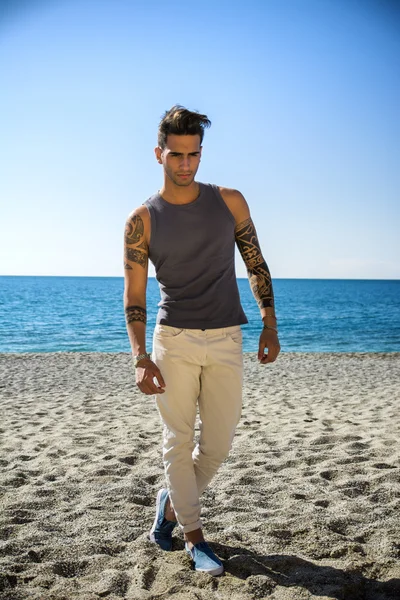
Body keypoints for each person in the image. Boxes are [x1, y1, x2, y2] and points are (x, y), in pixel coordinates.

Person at [123, 105, 280, 576]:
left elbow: (256, 263)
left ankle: (170, 505)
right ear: (159, 154)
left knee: (217, 445)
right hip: (174, 340)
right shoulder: (142, 220)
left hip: (227, 338)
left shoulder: (229, 201)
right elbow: (134, 294)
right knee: (177, 441)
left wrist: (269, 322)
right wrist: (140, 357)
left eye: (193, 155)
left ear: (201, 153)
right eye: (176, 155)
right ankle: (194, 539)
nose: (186, 164)